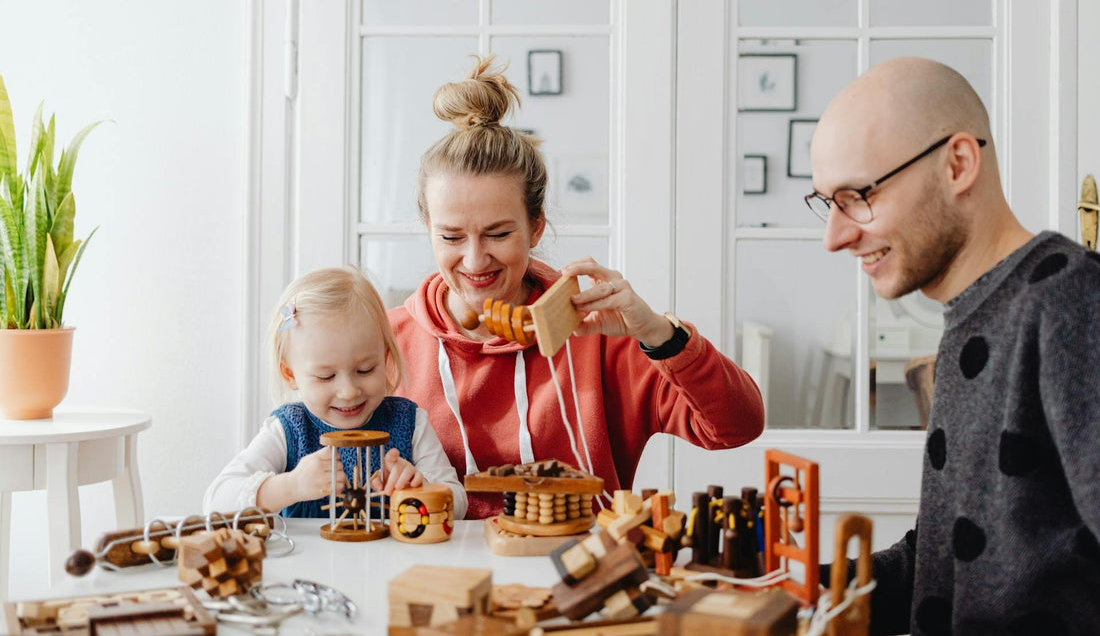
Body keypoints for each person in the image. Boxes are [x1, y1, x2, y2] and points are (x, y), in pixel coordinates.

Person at [388, 57, 765, 520]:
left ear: (536, 228)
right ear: (428, 228)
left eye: (499, 234)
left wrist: (658, 333)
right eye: (451, 237)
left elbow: (736, 427)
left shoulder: (598, 334)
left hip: (580, 578)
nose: (473, 260)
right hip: (437, 573)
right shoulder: (387, 342)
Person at [808, 56, 1100, 634]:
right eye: (826, 203)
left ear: (958, 164)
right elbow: (948, 562)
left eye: (857, 196)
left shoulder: (1070, 299)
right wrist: (793, 588)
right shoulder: (974, 314)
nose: (835, 237)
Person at [204, 266, 467, 519]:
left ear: (385, 359)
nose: (349, 391)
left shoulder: (410, 422)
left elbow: (459, 502)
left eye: (365, 370)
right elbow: (216, 502)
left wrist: (421, 491)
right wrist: (291, 486)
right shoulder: (288, 430)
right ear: (290, 374)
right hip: (305, 565)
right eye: (325, 376)